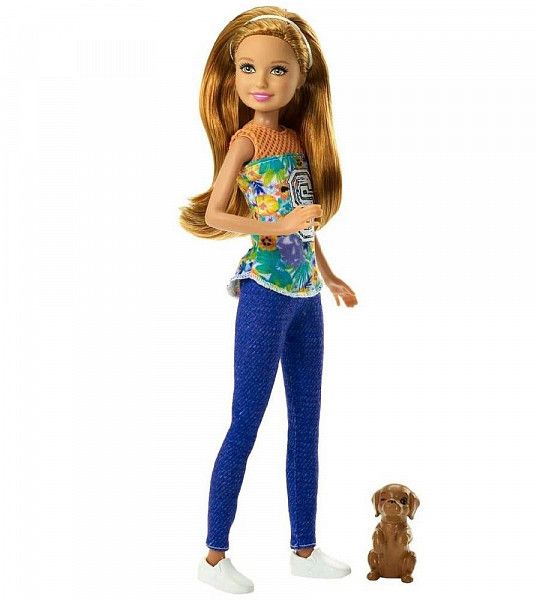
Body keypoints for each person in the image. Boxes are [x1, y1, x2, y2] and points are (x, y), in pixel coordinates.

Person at [179, 6, 358, 594]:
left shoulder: (301, 139)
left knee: (307, 422)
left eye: (277, 69)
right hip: (264, 290)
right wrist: (277, 227)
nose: (261, 81)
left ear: (300, 78)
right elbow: (217, 214)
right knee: (246, 421)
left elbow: (306, 222)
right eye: (248, 68)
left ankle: (303, 547)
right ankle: (214, 555)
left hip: (307, 293)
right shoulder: (247, 140)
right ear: (232, 75)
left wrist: (329, 274)